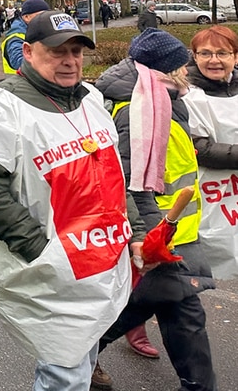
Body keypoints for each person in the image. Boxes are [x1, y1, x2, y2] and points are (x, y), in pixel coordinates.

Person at [0, 11, 144, 391]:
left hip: (96, 264)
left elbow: (111, 174)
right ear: (27, 51)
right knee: (64, 371)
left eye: (76, 51)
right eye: (58, 51)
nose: (70, 60)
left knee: (82, 356)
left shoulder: (91, 98)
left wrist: (135, 230)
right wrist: (42, 251)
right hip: (47, 269)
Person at [92, 28, 217, 390]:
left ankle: (74, 355)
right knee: (182, 312)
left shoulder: (164, 101)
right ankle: (71, 356)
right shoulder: (138, 111)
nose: (189, 69)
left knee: (160, 306)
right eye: (183, 64)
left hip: (176, 231)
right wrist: (150, 238)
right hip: (161, 234)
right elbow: (130, 183)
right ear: (166, 69)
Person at [183, 26, 238, 278]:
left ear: (235, 57)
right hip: (211, 195)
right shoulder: (188, 95)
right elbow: (200, 148)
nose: (214, 60)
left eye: (222, 53)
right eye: (205, 53)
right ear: (194, 56)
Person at [0, 0, 50, 75]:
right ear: (26, 17)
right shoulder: (16, 36)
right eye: (40, 15)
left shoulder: (37, 31)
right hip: (19, 84)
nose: (44, 19)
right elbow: (19, 62)